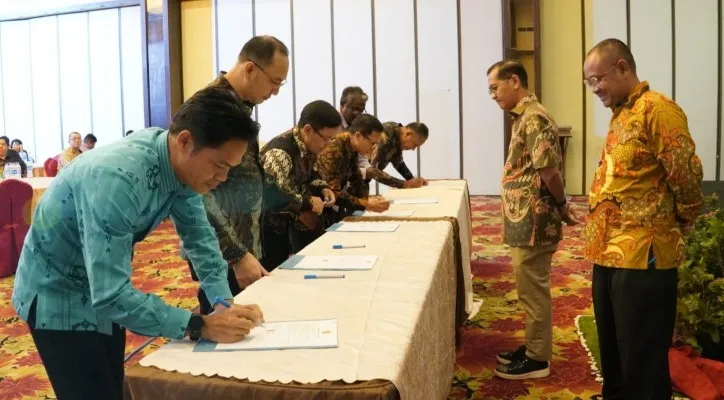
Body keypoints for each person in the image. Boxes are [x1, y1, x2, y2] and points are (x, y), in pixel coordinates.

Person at [11, 85, 265, 400]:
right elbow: (111, 294)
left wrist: (224, 305)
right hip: (56, 292)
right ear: (186, 141)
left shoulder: (180, 166)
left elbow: (201, 238)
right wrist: (199, 325)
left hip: (101, 281)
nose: (223, 178)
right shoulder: (118, 178)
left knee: (112, 385)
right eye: (219, 166)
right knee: (89, 391)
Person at [583, 39, 704, 399]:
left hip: (645, 255)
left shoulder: (658, 109)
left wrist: (685, 217)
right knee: (616, 353)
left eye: (597, 80)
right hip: (608, 252)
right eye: (588, 83)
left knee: (642, 357)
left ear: (621, 68)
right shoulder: (622, 113)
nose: (594, 90)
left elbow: (684, 172)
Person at [485, 60, 579, 380]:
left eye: (495, 88)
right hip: (526, 218)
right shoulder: (525, 116)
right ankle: (532, 345)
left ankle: (538, 358)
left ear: (514, 81)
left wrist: (563, 204)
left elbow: (549, 171)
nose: (493, 96)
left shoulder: (534, 117)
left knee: (533, 290)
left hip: (534, 220)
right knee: (528, 288)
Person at [186, 35, 289, 315]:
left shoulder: (239, 105)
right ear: (251, 69)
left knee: (245, 325)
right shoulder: (209, 108)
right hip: (220, 248)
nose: (276, 92)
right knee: (221, 327)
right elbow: (194, 192)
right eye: (275, 82)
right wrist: (235, 255)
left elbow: (252, 173)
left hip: (245, 240)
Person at [260, 100, 341, 270]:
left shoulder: (308, 146)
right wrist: (308, 203)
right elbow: (272, 198)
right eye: (327, 139)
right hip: (267, 231)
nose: (327, 146)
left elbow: (312, 173)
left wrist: (323, 188)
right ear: (308, 130)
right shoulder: (280, 152)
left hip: (289, 225)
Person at [316, 113, 390, 224]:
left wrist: (367, 201)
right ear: (358, 136)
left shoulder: (351, 146)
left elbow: (355, 176)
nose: (373, 149)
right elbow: (334, 191)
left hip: (333, 204)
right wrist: (367, 204)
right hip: (317, 206)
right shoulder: (334, 150)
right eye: (372, 143)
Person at [365, 121, 429, 189]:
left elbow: (398, 163)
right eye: (414, 144)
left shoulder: (397, 135)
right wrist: (403, 184)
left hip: (362, 179)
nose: (413, 149)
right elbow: (373, 170)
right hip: (355, 177)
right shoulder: (385, 135)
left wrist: (412, 180)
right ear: (408, 134)